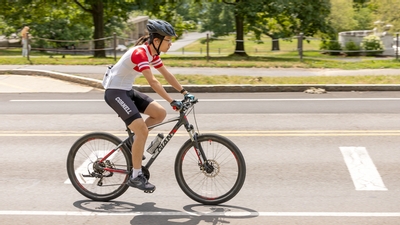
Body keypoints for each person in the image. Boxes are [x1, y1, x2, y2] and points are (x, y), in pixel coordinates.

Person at [102, 19, 195, 192]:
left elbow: (166, 75)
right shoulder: (140, 53)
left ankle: (133, 142)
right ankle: (136, 176)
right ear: (157, 41)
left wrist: (184, 92)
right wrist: (171, 100)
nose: (171, 43)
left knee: (159, 113)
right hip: (115, 93)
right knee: (142, 131)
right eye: (168, 40)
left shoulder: (153, 54)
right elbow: (153, 81)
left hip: (126, 90)